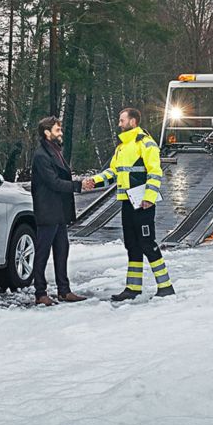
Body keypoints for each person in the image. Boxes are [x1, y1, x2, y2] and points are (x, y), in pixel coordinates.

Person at [83, 107, 175, 302]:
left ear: (133, 122)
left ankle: (165, 286)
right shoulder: (122, 147)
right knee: (132, 245)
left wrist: (149, 197)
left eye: (122, 120)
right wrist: (95, 180)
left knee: (147, 243)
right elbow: (113, 172)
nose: (119, 123)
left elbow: (155, 172)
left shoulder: (146, 143)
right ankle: (132, 288)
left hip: (143, 204)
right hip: (127, 203)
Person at [31, 116, 87, 306]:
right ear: (47, 133)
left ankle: (64, 290)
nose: (60, 133)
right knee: (42, 253)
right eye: (57, 130)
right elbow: (52, 182)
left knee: (62, 250)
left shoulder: (55, 151)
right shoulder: (41, 155)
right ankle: (40, 293)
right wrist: (78, 185)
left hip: (59, 211)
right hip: (47, 211)